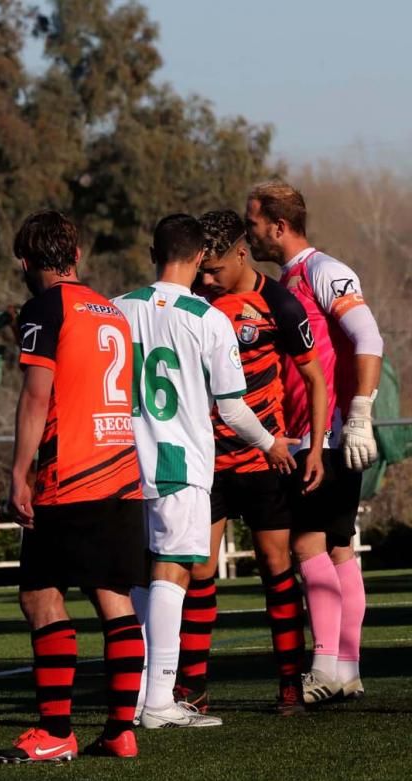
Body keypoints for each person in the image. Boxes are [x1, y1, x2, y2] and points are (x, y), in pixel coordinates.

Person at [113, 214, 296, 731]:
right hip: (181, 464)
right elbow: (234, 410)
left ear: (152, 251)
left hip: (125, 464)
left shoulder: (117, 308)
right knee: (173, 575)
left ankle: (139, 691)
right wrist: (271, 443)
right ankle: (159, 700)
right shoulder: (207, 317)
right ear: (198, 258)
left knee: (143, 578)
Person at [0, 210, 146, 763]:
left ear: (28, 263)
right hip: (122, 473)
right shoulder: (112, 310)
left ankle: (56, 730)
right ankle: (122, 730)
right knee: (114, 599)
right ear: (75, 257)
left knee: (40, 596)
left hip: (70, 476)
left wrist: (17, 472)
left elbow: (37, 395)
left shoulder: (44, 307)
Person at [174, 210, 327, 715]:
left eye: (215, 268)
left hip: (268, 459)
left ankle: (289, 683)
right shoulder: (196, 303)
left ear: (242, 253)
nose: (207, 277)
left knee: (275, 567)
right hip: (209, 462)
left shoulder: (279, 303)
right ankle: (190, 687)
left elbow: (314, 378)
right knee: (200, 571)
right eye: (203, 269)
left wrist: (317, 447)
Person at [245, 180, 384, 703]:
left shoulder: (325, 271)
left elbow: (369, 337)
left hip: (325, 436)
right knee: (341, 547)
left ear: (278, 226)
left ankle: (326, 667)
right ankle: (346, 668)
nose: (249, 230)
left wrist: (360, 415)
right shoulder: (290, 279)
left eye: (253, 220)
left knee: (308, 544)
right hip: (313, 435)